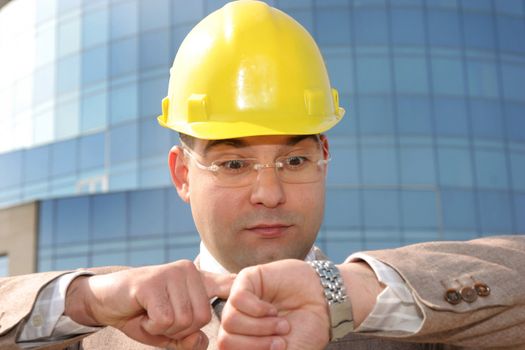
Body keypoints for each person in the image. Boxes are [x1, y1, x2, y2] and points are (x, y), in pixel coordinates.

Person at [0, 1, 524, 349]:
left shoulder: (413, 323)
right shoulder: (103, 337)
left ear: (325, 159)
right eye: (233, 164)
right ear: (182, 175)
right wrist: (85, 299)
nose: (269, 194)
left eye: (294, 161)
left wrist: (341, 293)